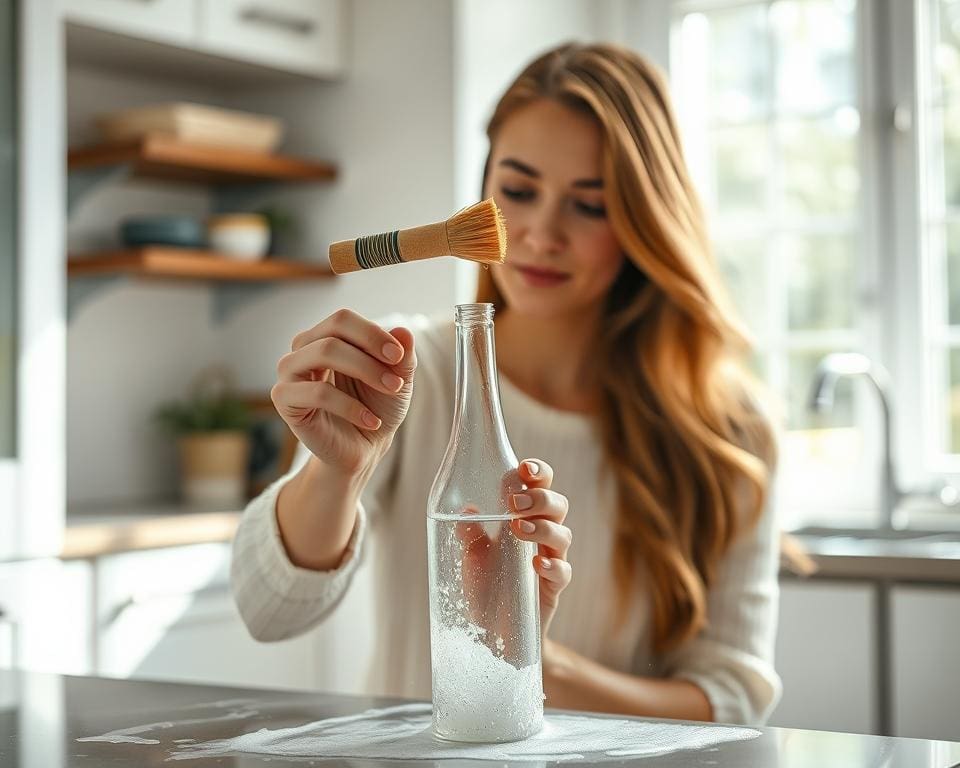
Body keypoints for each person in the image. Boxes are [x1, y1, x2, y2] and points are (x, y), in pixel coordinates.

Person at [231, 42, 781, 726]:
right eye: (518, 191)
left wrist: (526, 653)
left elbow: (733, 701)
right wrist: (332, 474)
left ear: (645, 220)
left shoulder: (728, 429)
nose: (540, 233)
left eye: (590, 205)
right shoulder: (410, 375)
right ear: (485, 185)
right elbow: (268, 613)